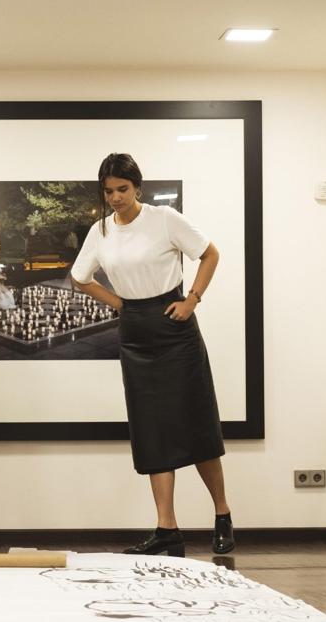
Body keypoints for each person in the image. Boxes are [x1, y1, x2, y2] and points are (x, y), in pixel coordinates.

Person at [70, 153, 234, 557]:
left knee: (196, 423)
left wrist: (192, 300)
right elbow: (79, 278)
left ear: (137, 187)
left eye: (122, 189)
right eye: (108, 191)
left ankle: (222, 514)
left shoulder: (164, 218)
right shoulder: (100, 230)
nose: (115, 198)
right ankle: (167, 528)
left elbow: (210, 254)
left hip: (175, 326)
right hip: (135, 331)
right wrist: (120, 303)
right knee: (151, 429)